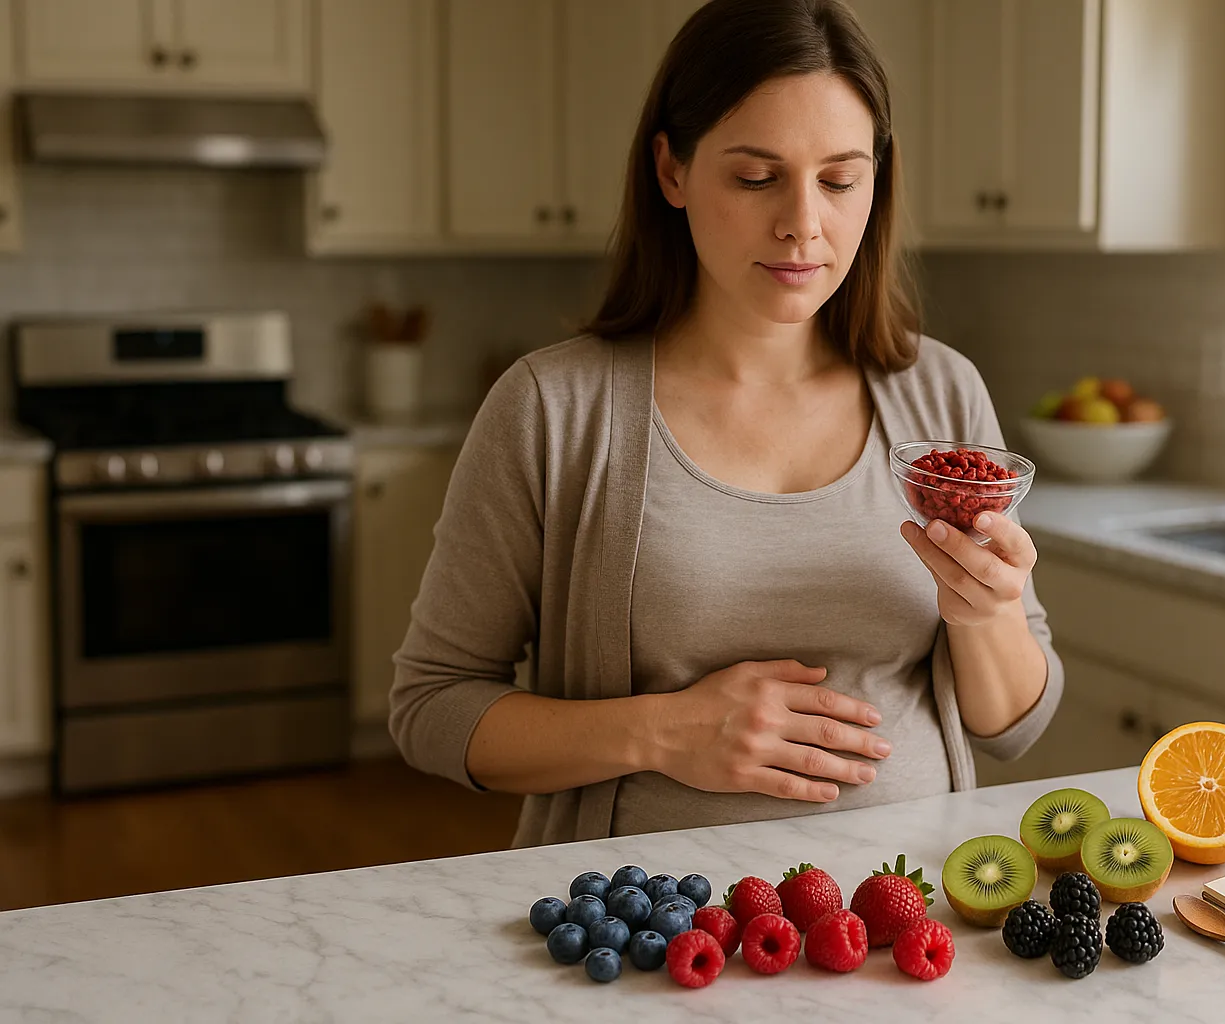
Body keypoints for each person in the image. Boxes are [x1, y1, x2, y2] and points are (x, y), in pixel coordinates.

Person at [390, 0, 1063, 849]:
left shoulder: (940, 394)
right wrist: (664, 732)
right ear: (671, 171)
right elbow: (431, 707)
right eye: (756, 177)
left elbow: (1012, 726)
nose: (803, 223)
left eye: (840, 179)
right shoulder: (551, 409)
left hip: (909, 924)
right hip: (643, 941)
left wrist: (986, 614)